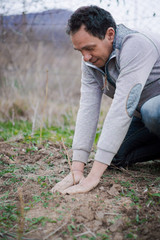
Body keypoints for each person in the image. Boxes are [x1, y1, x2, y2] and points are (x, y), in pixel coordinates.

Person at [51, 5, 160, 195]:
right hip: (144, 116)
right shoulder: (91, 61)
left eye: (89, 48)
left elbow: (123, 107)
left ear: (110, 35)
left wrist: (93, 178)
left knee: (152, 111)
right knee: (114, 156)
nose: (85, 57)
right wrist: (77, 170)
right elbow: (87, 109)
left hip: (153, 111)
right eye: (80, 51)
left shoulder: (135, 45)